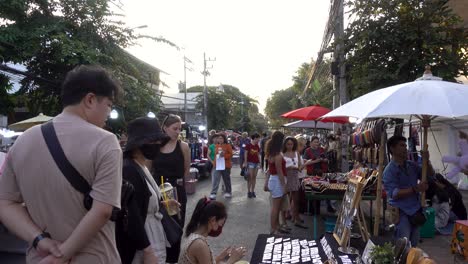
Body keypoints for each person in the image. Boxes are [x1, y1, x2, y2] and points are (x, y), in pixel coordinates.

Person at [0, 65, 122, 263]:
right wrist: (62, 254)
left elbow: (5, 204)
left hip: (39, 258)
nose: (109, 112)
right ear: (90, 100)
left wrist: (39, 240)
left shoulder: (23, 141)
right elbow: (102, 210)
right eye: (109, 104)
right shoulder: (105, 141)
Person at [116, 117, 180, 264]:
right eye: (153, 141)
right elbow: (133, 216)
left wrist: (162, 204)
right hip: (143, 243)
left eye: (159, 141)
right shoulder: (129, 170)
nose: (157, 145)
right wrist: (147, 249)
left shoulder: (141, 166)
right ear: (139, 144)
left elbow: (144, 201)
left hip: (152, 235)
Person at [151, 114, 191, 263]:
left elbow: (187, 168)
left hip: (176, 191)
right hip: (158, 191)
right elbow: (149, 169)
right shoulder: (155, 146)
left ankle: (173, 259)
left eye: (179, 129)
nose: (177, 132)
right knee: (159, 226)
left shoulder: (183, 146)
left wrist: (179, 185)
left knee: (176, 227)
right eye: (174, 128)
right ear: (165, 128)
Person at [383, 135, 433, 246]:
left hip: (415, 210)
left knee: (414, 245)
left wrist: (427, 161)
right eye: (402, 145)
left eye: (406, 145)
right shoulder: (389, 171)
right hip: (401, 213)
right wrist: (416, 189)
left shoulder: (411, 165)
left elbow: (430, 176)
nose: (406, 148)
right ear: (392, 149)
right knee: (403, 246)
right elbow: (394, 194)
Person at [179, 198, 246, 264]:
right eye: (221, 224)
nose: (220, 228)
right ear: (213, 220)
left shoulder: (195, 236)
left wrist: (219, 258)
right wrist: (232, 260)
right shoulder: (199, 244)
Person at [303, 136, 335, 213]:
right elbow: (305, 162)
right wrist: (316, 161)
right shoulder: (307, 151)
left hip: (321, 172)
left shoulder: (322, 150)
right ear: (311, 143)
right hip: (312, 173)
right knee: (312, 190)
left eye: (318, 142)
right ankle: (311, 209)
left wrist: (323, 160)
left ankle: (327, 207)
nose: (317, 143)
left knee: (325, 188)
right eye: (315, 142)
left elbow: (327, 160)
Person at [263, 131, 287, 235]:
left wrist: (266, 182)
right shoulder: (278, 155)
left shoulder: (271, 154)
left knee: (276, 206)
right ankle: (273, 228)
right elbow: (280, 172)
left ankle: (276, 226)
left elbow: (269, 170)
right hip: (277, 181)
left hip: (274, 180)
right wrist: (284, 185)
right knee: (276, 207)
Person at [282, 137, 306, 229]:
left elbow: (300, 166)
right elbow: (281, 168)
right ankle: (284, 221)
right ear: (285, 145)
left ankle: (296, 218)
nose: (290, 146)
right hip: (286, 177)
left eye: (291, 144)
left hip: (295, 176)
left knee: (296, 200)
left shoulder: (297, 153)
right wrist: (291, 167)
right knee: (286, 200)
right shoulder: (283, 154)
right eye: (288, 144)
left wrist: (301, 166)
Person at [209, 133, 233, 200]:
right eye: (219, 138)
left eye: (221, 138)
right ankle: (213, 193)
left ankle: (228, 191)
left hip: (226, 165)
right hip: (217, 165)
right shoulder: (215, 146)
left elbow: (231, 154)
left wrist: (224, 156)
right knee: (215, 179)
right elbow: (214, 155)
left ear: (224, 139)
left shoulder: (228, 146)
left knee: (226, 179)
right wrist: (214, 162)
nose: (220, 139)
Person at [243, 133, 261, 198]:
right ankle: (248, 192)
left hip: (256, 163)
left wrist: (260, 162)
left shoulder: (257, 146)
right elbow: (245, 154)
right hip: (250, 163)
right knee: (250, 177)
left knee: (254, 177)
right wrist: (245, 162)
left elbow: (258, 154)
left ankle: (253, 191)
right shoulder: (248, 145)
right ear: (255, 138)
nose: (258, 140)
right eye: (258, 138)